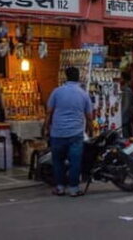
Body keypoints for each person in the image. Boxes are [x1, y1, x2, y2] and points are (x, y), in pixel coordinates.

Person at [44, 67, 93, 197]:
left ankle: (59, 188)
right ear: (78, 78)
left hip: (58, 132)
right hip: (76, 133)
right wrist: (90, 130)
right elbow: (89, 116)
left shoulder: (57, 92)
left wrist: (45, 127)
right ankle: (74, 189)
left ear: (66, 77)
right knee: (75, 161)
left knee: (58, 161)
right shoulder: (83, 94)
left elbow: (49, 112)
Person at [120, 72, 133, 138]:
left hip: (125, 118)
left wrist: (120, 116)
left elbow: (126, 106)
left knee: (125, 133)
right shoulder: (124, 89)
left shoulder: (127, 90)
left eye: (121, 77)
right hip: (125, 117)